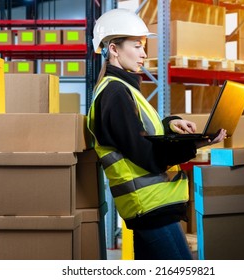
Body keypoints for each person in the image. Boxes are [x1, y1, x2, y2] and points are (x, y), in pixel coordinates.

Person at [87, 8, 227, 260]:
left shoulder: (123, 89)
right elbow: (147, 155)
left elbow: (142, 132)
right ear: (114, 49)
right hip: (149, 207)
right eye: (137, 46)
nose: (143, 54)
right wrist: (195, 145)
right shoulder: (115, 94)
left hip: (150, 206)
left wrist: (172, 123)